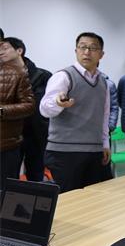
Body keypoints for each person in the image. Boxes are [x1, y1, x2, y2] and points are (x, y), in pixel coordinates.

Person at [40, 32, 111, 192]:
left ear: (101, 54)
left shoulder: (103, 82)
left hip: (94, 150)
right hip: (65, 152)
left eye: (93, 48)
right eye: (82, 47)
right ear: (76, 51)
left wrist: (105, 143)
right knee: (69, 199)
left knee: (96, 197)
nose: (87, 52)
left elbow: (104, 115)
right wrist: (58, 103)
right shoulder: (64, 76)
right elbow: (44, 109)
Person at [0, 37, 51, 182]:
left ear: (19, 51)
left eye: (5, 48)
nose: (1, 52)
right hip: (11, 133)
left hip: (35, 132)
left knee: (35, 174)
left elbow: (42, 105)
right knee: (11, 178)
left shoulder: (43, 75)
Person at [0, 38, 35, 189]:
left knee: (5, 192)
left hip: (5, 145)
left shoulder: (17, 73)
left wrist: (2, 111)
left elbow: (29, 105)